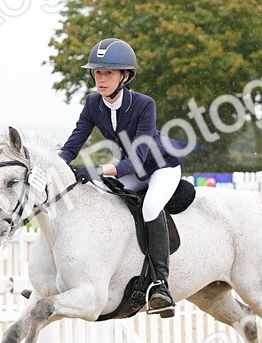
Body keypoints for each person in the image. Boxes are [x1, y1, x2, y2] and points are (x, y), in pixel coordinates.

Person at [58, 38, 187, 317]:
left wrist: (97, 170)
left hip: (161, 167)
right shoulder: (94, 104)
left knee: (151, 207)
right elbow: (74, 143)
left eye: (108, 73)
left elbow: (138, 160)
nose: (101, 79)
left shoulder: (144, 104)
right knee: (103, 197)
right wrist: (52, 166)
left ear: (125, 76)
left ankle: (161, 285)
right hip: (130, 167)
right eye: (97, 73)